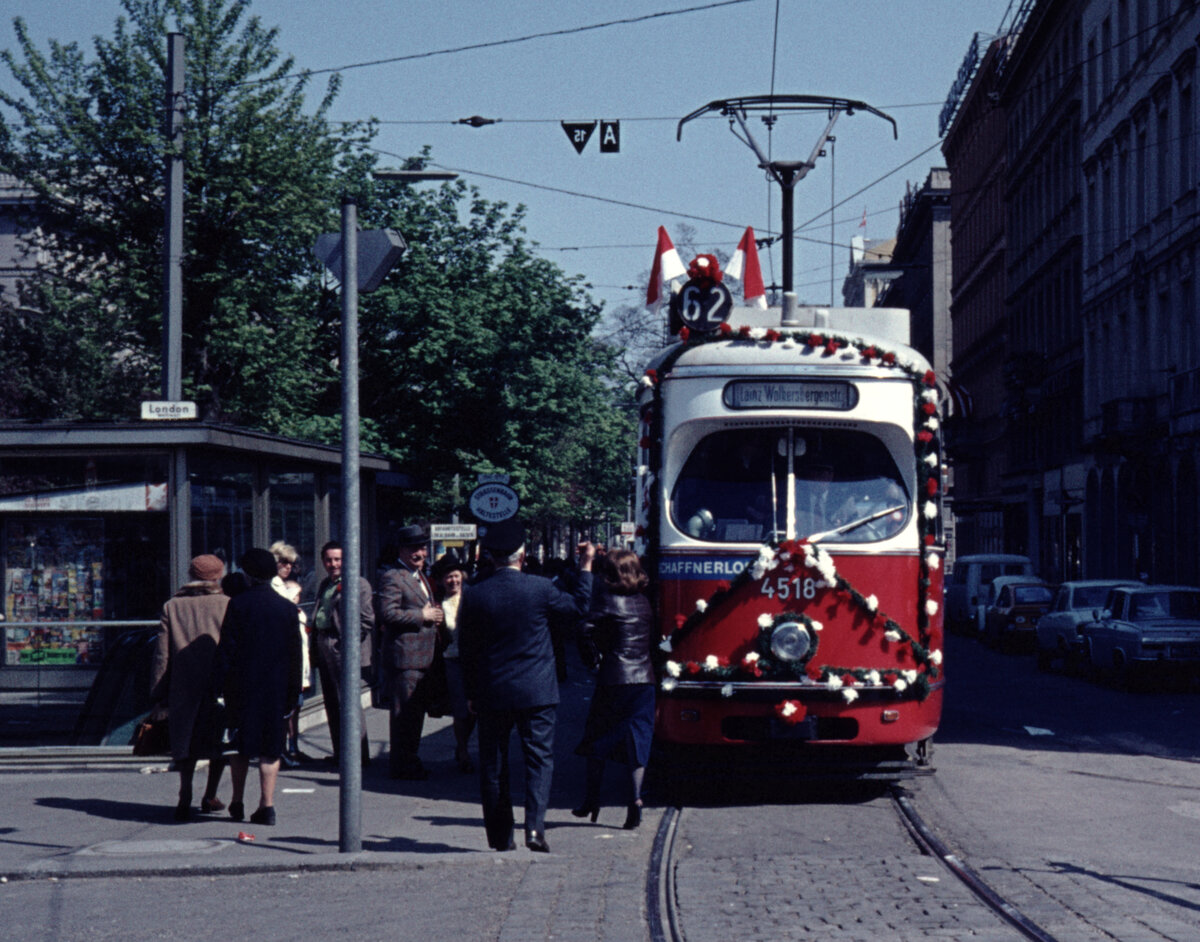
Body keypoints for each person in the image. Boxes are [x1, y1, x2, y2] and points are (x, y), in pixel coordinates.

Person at [457, 519, 594, 853]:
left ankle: (500, 838)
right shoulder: (541, 589)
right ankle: (534, 828)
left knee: (493, 765)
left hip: (492, 692)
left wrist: (471, 692)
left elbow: (467, 649)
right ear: (522, 555)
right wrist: (586, 566)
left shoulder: (474, 594)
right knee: (539, 760)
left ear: (491, 556)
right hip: (537, 691)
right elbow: (579, 608)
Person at [217, 547, 302, 827]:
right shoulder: (287, 608)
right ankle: (267, 805)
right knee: (271, 748)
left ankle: (237, 800)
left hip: (242, 687)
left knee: (240, 746)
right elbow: (295, 654)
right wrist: (293, 691)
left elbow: (227, 651)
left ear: (248, 574)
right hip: (276, 688)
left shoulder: (238, 605)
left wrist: (221, 686)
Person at [572, 549, 655, 830]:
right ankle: (635, 801)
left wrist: (593, 659)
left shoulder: (607, 600)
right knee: (638, 740)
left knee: (598, 738)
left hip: (615, 678)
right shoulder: (644, 601)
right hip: (644, 679)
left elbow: (583, 628)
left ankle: (591, 799)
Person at [150, 554, 230, 822]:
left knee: (185, 741)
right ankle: (210, 794)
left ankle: (185, 793)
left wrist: (158, 690)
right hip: (217, 684)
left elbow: (162, 654)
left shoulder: (173, 606)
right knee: (219, 741)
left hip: (183, 683)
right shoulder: (226, 603)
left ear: (191, 575)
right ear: (218, 575)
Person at [377, 524, 444, 780]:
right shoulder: (393, 576)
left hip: (423, 658)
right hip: (405, 659)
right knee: (404, 715)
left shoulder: (419, 575)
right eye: (414, 548)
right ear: (402, 550)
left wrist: (433, 614)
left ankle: (410, 760)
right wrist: (422, 616)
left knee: (414, 714)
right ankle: (401, 765)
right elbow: (388, 613)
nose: (420, 553)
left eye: (423, 548)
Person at [310, 540, 374, 767]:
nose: (333, 564)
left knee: (347, 702)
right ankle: (341, 753)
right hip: (324, 644)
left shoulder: (358, 584)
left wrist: (346, 646)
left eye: (338, 559)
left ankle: (357, 757)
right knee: (331, 702)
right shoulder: (325, 583)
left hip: (342, 647)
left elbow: (366, 620)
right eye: (328, 560)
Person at [269, 541, 312, 766]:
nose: (287, 567)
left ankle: (293, 747)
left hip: (298, 657)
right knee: (286, 707)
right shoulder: (275, 588)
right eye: (283, 562)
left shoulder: (286, 587)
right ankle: (283, 749)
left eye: (290, 564)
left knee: (296, 705)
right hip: (285, 658)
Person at [432, 553, 474, 773]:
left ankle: (463, 744)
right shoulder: (438, 603)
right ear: (441, 580)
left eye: (456, 576)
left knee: (474, 709)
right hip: (452, 661)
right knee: (460, 709)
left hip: (474, 662)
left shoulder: (472, 597)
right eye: (448, 577)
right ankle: (463, 750)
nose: (453, 580)